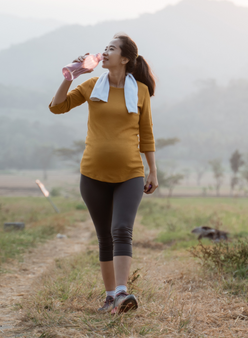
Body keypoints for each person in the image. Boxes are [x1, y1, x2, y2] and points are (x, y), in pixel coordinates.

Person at [49, 33, 159, 315]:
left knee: (122, 229)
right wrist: (70, 75)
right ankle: (110, 297)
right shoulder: (91, 86)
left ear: (125, 59)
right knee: (104, 237)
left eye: (111, 49)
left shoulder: (141, 92)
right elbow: (57, 106)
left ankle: (122, 293)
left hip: (130, 174)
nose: (104, 52)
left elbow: (146, 135)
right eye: (104, 48)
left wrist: (152, 172)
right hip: (93, 174)